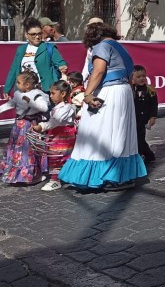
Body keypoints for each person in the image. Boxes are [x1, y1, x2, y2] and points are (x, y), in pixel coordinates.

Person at [58, 22, 147, 191]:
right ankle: (120, 176)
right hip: (123, 91)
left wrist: (87, 93)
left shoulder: (101, 46)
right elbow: (129, 74)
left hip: (109, 92)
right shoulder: (119, 47)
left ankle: (104, 175)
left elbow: (98, 71)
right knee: (119, 133)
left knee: (97, 131)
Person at [0, 70, 50, 185]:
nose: (16, 85)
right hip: (19, 125)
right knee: (17, 148)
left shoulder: (38, 94)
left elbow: (44, 108)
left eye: (18, 82)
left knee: (29, 150)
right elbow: (10, 104)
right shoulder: (18, 94)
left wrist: (30, 101)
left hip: (30, 125)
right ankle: (16, 173)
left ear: (27, 85)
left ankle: (32, 174)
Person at [3, 17, 68, 96]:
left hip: (44, 90)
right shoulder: (21, 49)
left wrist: (62, 66)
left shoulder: (49, 47)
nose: (37, 37)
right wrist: (7, 89)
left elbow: (60, 62)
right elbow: (14, 70)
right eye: (33, 34)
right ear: (26, 35)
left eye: (39, 33)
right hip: (24, 91)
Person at [33, 80, 76, 192]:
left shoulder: (67, 108)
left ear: (62, 94)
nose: (50, 96)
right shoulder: (58, 107)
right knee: (55, 156)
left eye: (53, 93)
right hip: (55, 136)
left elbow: (55, 121)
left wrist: (41, 126)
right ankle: (61, 177)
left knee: (58, 157)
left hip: (63, 137)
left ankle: (55, 180)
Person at [131, 65, 158, 164]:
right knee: (134, 139)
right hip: (132, 118)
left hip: (143, 119)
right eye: (138, 77)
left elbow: (153, 105)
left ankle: (147, 155)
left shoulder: (149, 90)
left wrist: (153, 117)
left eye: (143, 76)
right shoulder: (130, 89)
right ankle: (144, 154)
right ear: (132, 78)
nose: (142, 78)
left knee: (140, 139)